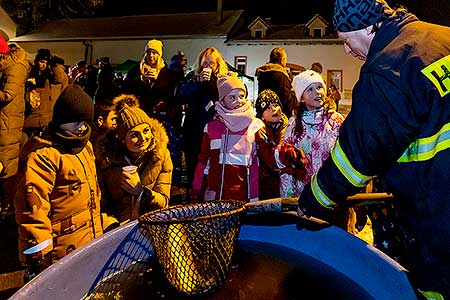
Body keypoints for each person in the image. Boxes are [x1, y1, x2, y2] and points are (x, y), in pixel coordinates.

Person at [298, 0, 450, 298]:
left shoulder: (388, 69)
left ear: (368, 26)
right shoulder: (442, 37)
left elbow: (357, 155)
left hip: (440, 209)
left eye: (345, 39)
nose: (347, 50)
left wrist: (314, 200)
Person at [14, 85, 112, 280]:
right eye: (75, 121)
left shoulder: (86, 147)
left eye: (85, 121)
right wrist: (39, 253)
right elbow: (32, 208)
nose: (82, 127)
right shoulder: (43, 156)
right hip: (58, 247)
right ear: (60, 121)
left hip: (87, 238)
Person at [94, 97, 172, 224]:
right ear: (123, 139)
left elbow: (164, 201)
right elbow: (102, 206)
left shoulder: (161, 155)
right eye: (134, 135)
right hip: (119, 226)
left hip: (153, 222)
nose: (143, 138)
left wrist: (141, 192)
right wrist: (114, 227)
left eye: (146, 131)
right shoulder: (107, 160)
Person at [191, 74, 264, 202]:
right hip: (217, 197)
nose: (239, 101)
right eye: (232, 97)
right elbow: (203, 160)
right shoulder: (212, 127)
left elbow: (266, 157)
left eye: (242, 96)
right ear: (222, 101)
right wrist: (197, 189)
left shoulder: (255, 126)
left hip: (246, 197)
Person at [178, 47, 229, 200]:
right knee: (194, 168)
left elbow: (222, 97)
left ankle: (211, 200)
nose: (208, 66)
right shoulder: (193, 78)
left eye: (212, 63)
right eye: (205, 63)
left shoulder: (221, 80)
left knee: (212, 169)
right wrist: (198, 82)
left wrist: (211, 80)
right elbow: (182, 95)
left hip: (214, 133)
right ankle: (193, 199)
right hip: (193, 132)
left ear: (218, 64)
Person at [254, 89, 306, 200]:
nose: (273, 109)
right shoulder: (259, 131)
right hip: (267, 187)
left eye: (276, 105)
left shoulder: (291, 126)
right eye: (267, 108)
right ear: (261, 115)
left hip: (290, 185)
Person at [0, 37, 30, 220]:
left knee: (7, 166)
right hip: (4, 122)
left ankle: (8, 206)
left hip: (8, 124)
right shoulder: (5, 66)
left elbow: (8, 94)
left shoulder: (16, 67)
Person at [255, 47, 297, 117]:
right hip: (279, 116)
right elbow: (287, 100)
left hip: (264, 113)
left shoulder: (262, 73)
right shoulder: (282, 75)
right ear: (282, 60)